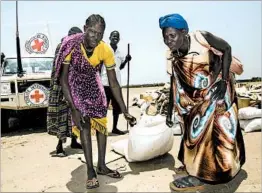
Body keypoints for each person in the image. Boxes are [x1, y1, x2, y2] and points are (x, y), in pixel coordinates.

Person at [159, 13, 246, 192]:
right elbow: (174, 82)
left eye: (172, 35)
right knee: (194, 132)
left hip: (219, 90)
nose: (168, 40)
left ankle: (216, 173)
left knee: (218, 134)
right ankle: (197, 169)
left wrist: (222, 82)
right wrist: (169, 111)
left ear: (184, 32)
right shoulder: (171, 54)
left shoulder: (201, 38)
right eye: (165, 36)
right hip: (195, 99)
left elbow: (227, 48)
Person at [54, 14, 136, 189]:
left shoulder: (105, 49)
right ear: (85, 29)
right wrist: (73, 108)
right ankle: (90, 170)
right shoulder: (71, 45)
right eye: (92, 32)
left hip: (93, 82)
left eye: (100, 34)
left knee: (101, 122)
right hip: (74, 83)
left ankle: (102, 165)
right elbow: (64, 79)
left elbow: (113, 83)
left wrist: (125, 110)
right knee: (84, 122)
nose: (95, 37)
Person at [47, 27, 83, 156]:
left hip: (73, 87)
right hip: (62, 88)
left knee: (74, 115)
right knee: (62, 116)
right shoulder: (62, 47)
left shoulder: (77, 48)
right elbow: (60, 70)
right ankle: (60, 146)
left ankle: (74, 141)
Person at [101, 30, 132, 135]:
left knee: (116, 107)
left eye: (117, 37)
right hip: (105, 82)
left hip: (116, 83)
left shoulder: (120, 52)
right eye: (113, 36)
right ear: (109, 37)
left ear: (119, 39)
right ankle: (102, 128)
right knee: (104, 107)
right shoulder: (104, 49)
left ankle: (114, 128)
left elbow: (120, 67)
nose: (115, 38)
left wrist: (126, 61)